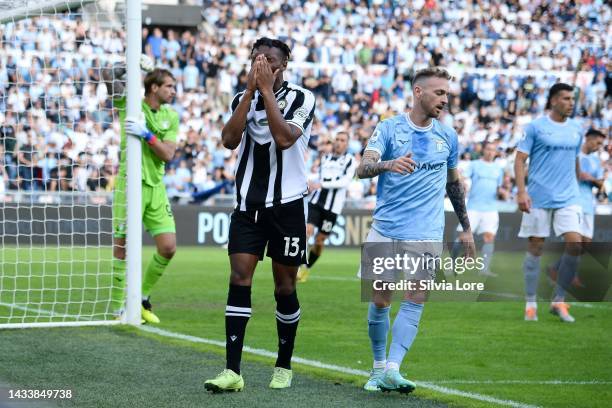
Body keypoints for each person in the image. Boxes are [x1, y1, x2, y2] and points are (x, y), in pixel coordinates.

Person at [204, 37, 316, 392]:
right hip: (247, 206)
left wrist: (266, 91)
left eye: (269, 59)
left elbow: (284, 139)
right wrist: (252, 93)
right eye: (256, 58)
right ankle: (232, 371)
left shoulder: (302, 98)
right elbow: (228, 139)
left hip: (288, 206)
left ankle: (283, 365)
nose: (261, 64)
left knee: (284, 286)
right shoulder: (241, 98)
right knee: (239, 278)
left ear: (284, 65)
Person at [357, 67, 474, 393]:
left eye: (447, 94)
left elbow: (454, 184)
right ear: (418, 92)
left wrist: (466, 227)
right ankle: (378, 367)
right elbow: (363, 168)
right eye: (439, 93)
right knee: (380, 299)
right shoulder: (389, 128)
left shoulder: (447, 136)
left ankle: (393, 369)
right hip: (387, 228)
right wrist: (388, 164)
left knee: (416, 297)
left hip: (427, 231)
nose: (445, 100)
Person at [102, 57, 179, 324]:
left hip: (155, 187)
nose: (174, 91)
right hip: (128, 185)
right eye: (169, 86)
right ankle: (116, 308)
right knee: (121, 247)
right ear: (154, 87)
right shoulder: (132, 106)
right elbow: (108, 75)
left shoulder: (172, 115)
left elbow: (168, 153)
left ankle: (142, 297)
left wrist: (147, 135)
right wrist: (127, 64)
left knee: (168, 247)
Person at [515, 83, 584, 323]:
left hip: (569, 196)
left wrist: (580, 184)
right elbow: (520, 159)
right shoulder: (535, 127)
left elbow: (574, 161)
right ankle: (531, 303)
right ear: (554, 101)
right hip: (538, 196)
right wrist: (521, 192)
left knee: (575, 244)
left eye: (572, 98)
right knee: (536, 247)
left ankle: (559, 300)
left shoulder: (577, 129)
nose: (571, 102)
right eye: (566, 98)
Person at [297, 130, 356, 282]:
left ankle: (307, 268)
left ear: (347, 144)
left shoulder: (350, 160)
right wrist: (308, 182)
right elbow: (320, 177)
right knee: (306, 230)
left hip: (333, 208)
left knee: (319, 241)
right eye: (337, 139)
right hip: (316, 202)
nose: (339, 142)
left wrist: (321, 183)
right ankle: (298, 266)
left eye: (342, 140)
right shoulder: (325, 158)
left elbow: (345, 182)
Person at [453, 142, 508, 276]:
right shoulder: (474, 164)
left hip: (491, 208)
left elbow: (499, 188)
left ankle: (484, 270)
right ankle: (452, 265)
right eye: (488, 149)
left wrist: (503, 192)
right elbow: (462, 177)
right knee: (462, 238)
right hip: (473, 207)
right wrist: (463, 183)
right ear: (484, 150)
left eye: (493, 150)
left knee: (489, 238)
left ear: (496, 153)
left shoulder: (498, 169)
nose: (490, 152)